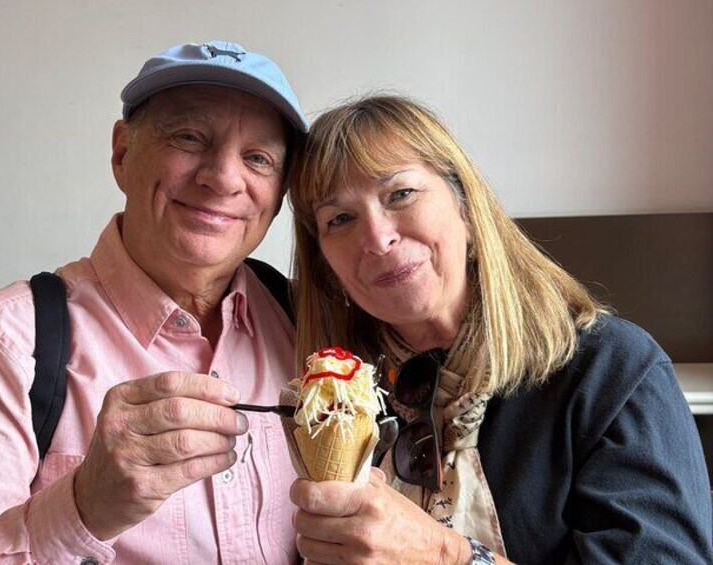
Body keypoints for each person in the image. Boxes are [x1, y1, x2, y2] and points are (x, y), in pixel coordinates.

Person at [0, 40, 307, 564]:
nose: (223, 178)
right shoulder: (8, 340)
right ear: (122, 153)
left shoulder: (307, 321)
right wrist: (83, 508)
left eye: (258, 158)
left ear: (279, 194)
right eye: (189, 137)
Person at [287, 94, 713, 564]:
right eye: (340, 219)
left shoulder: (612, 371)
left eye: (400, 194)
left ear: (467, 210)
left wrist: (444, 555)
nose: (377, 237)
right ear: (327, 269)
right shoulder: (338, 400)